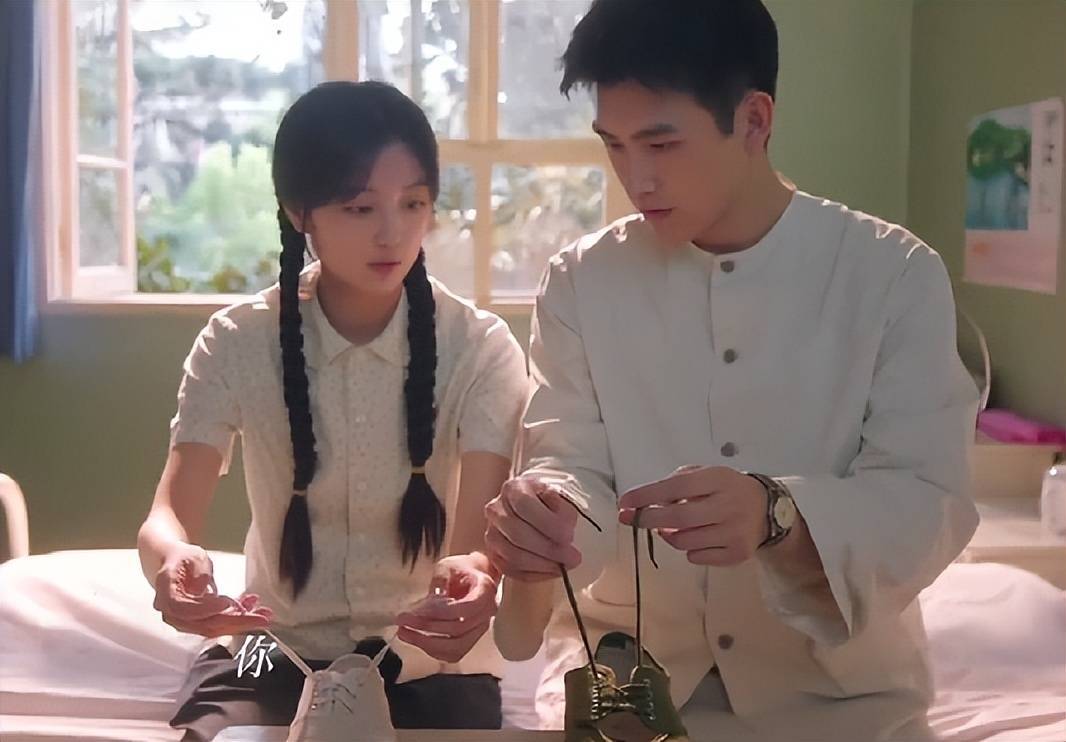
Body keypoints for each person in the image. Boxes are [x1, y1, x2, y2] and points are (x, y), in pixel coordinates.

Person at [486, 1, 979, 740]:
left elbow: (928, 498)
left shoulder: (891, 275)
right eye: (614, 146)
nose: (636, 179)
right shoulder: (582, 281)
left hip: (844, 708)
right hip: (629, 694)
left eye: (662, 144)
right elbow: (570, 460)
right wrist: (547, 518)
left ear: (753, 120)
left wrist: (780, 514)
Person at [136, 81, 528, 741]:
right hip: (265, 652)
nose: (392, 232)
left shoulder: (480, 348)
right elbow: (168, 514)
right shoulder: (237, 340)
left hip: (430, 661)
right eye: (359, 207)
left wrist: (480, 574)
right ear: (300, 213)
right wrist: (172, 561)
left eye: (413, 203)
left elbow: (475, 546)